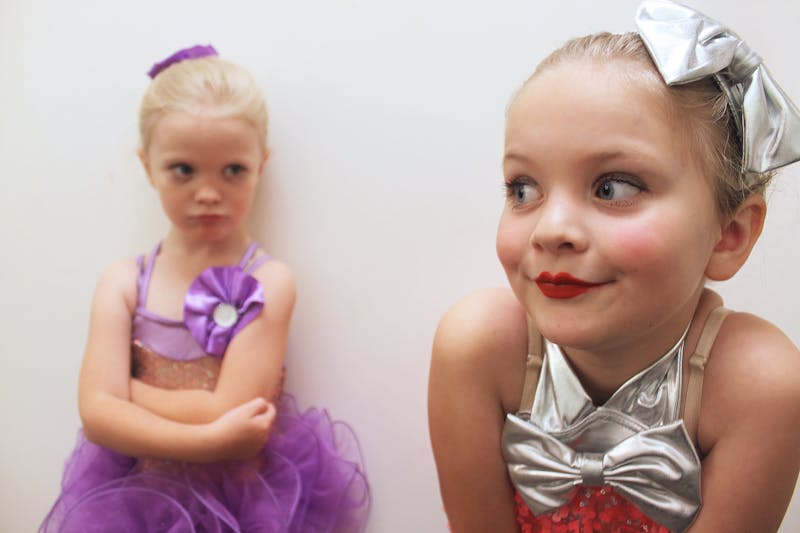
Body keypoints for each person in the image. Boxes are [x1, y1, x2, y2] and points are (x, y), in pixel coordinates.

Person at [428, 1, 800, 531]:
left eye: (613, 188)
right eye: (523, 188)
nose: (550, 229)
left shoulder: (759, 386)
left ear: (729, 235)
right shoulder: (477, 348)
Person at [41, 45, 370, 532]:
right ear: (147, 165)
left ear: (262, 165)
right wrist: (211, 440)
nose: (209, 192)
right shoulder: (124, 282)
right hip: (134, 501)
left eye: (233, 170)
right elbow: (95, 417)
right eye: (184, 169)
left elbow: (228, 408)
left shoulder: (268, 281)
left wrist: (120, 395)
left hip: (244, 501)